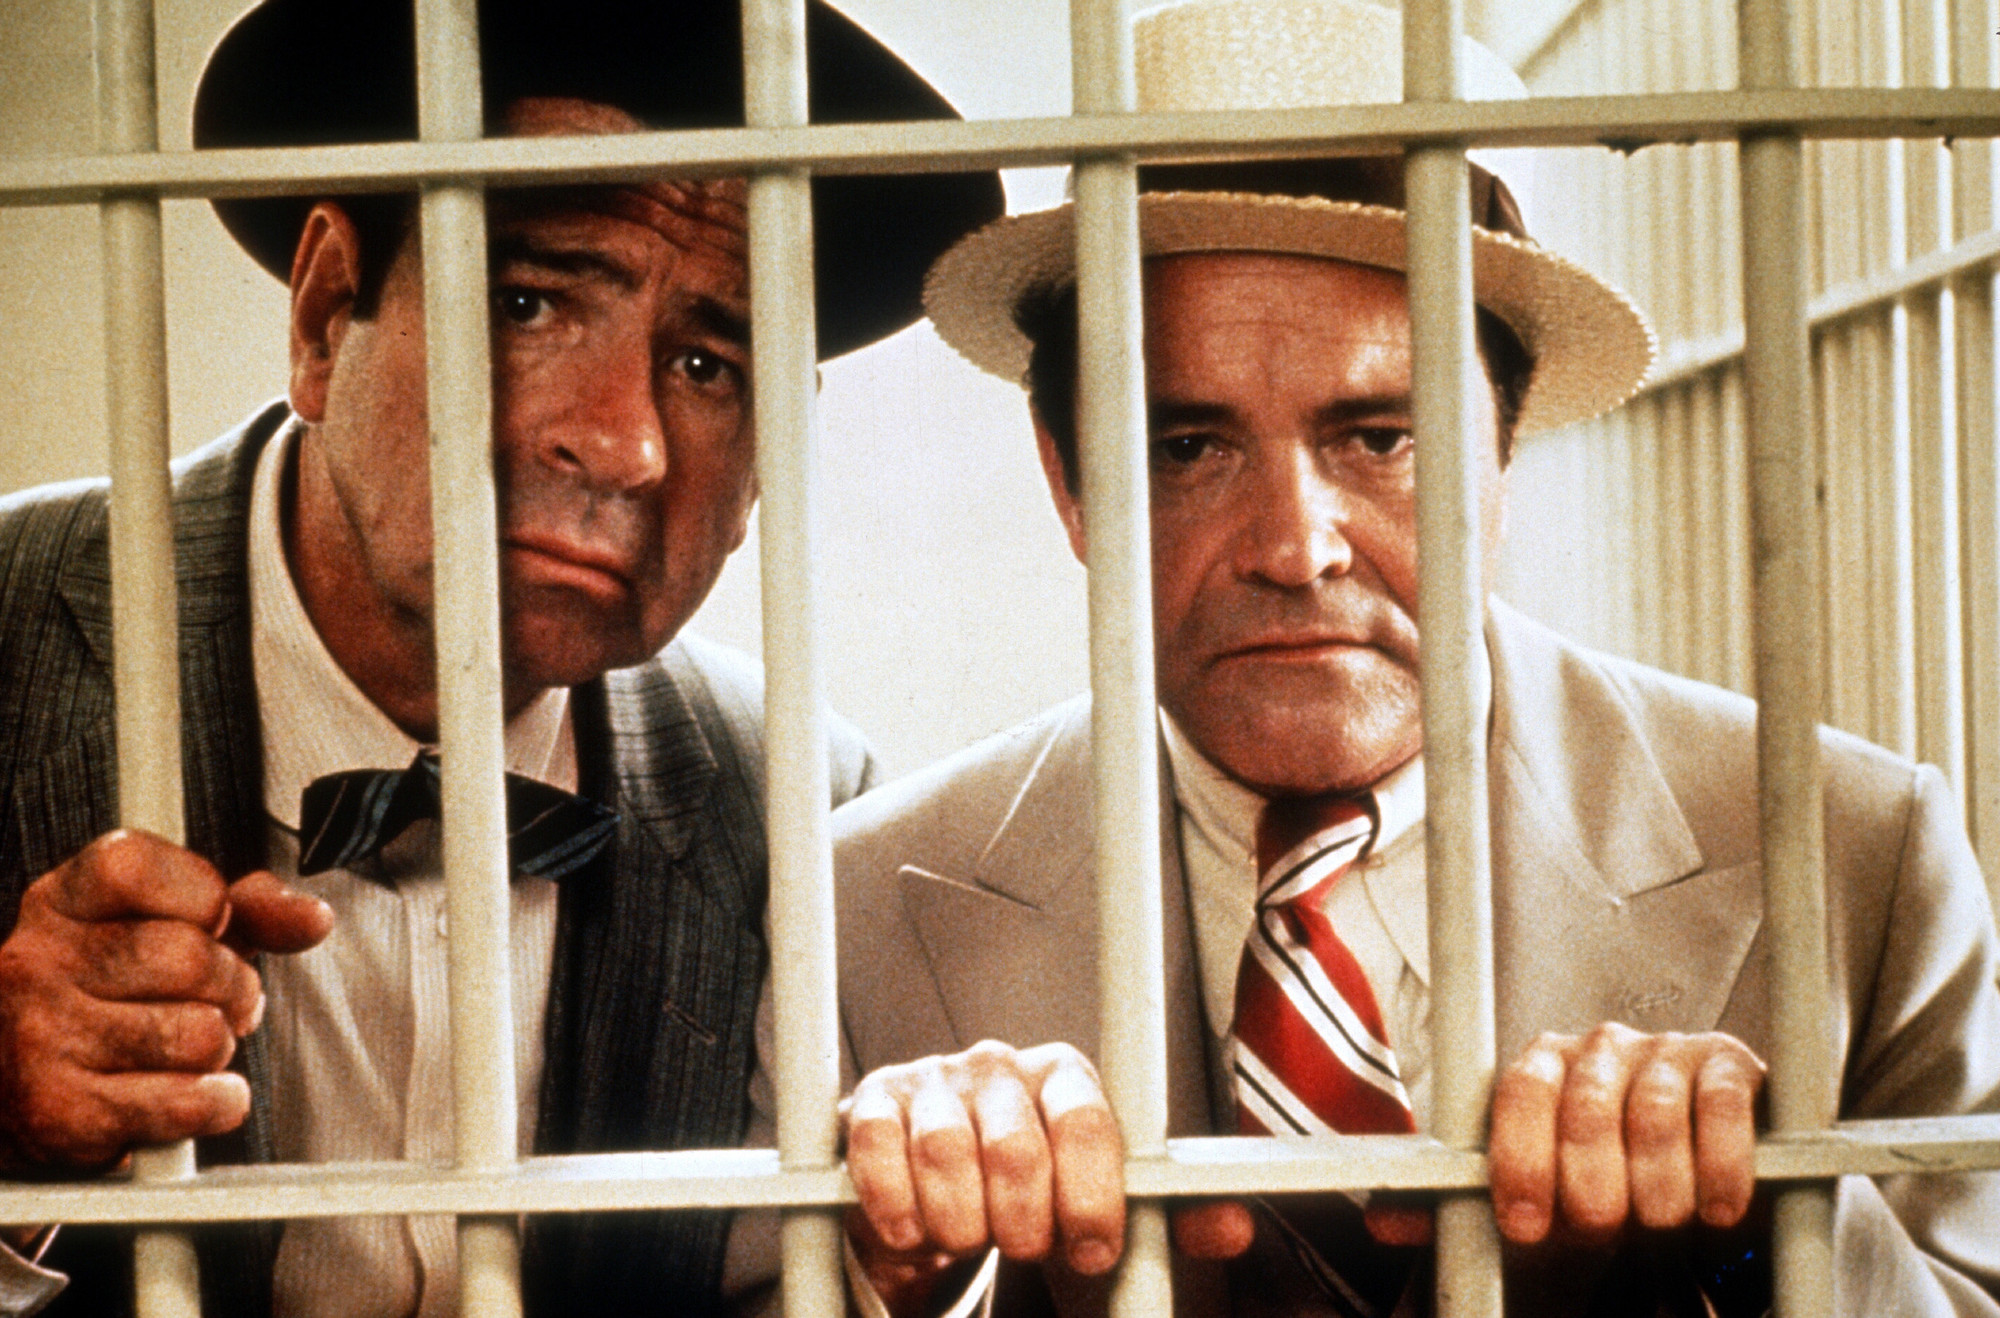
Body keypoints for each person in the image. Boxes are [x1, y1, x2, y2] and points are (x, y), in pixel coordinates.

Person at [828, 0, 2000, 1314]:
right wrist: (893, 1276)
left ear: (1503, 451)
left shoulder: (1855, 856)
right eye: (1188, 447)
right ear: (1069, 483)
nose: (1295, 545)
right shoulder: (855, 913)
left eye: (1381, 438)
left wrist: (1766, 1233)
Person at [0, 0, 1002, 1314]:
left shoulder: (804, 803)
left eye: (710, 365)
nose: (627, 445)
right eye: (529, 304)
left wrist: (904, 1258)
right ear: (324, 313)